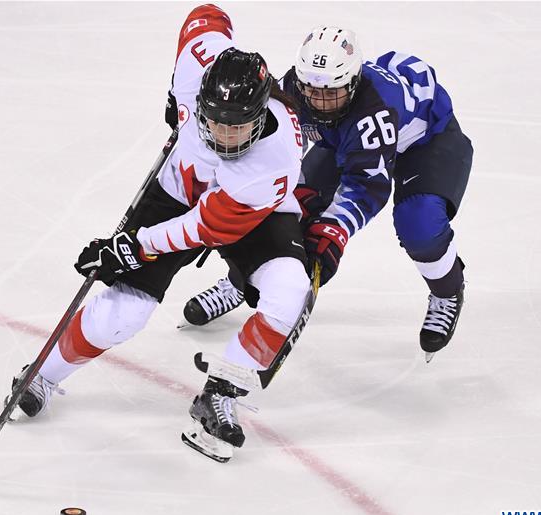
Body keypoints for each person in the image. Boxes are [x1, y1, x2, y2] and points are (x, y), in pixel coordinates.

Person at [8, 4, 310, 463]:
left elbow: (201, 228)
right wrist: (174, 93)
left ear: (261, 110)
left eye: (237, 128)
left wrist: (132, 247)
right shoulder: (197, 65)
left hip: (253, 212)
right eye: (213, 121)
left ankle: (220, 393)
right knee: (124, 313)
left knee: (289, 291)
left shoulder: (273, 160)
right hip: (175, 192)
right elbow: (206, 16)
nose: (223, 137)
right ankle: (42, 374)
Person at [181, 26, 473, 362]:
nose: (319, 102)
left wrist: (334, 230)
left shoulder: (374, 110)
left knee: (418, 225)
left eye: (331, 92)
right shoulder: (294, 88)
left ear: (353, 81)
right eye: (312, 90)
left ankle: (447, 290)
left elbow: (365, 187)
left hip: (425, 145)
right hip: (345, 140)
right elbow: (271, 146)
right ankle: (240, 280)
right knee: (288, 209)